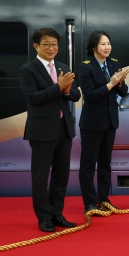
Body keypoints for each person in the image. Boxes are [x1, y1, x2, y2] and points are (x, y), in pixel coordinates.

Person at [19, 28, 81, 232]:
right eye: (46, 44)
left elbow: (75, 96)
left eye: (54, 44)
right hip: (42, 130)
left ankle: (56, 213)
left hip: (64, 128)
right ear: (36, 46)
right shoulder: (28, 69)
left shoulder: (63, 67)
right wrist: (57, 88)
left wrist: (66, 90)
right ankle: (43, 217)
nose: (51, 48)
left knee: (61, 175)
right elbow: (33, 98)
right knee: (40, 176)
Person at [78, 30, 129, 214]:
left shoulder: (114, 64)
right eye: (103, 44)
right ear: (94, 47)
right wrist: (110, 84)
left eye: (108, 43)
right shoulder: (86, 67)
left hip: (110, 122)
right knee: (88, 164)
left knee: (105, 163)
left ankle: (104, 199)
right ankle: (90, 203)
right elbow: (90, 96)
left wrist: (120, 83)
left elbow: (123, 93)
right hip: (92, 123)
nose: (107, 47)